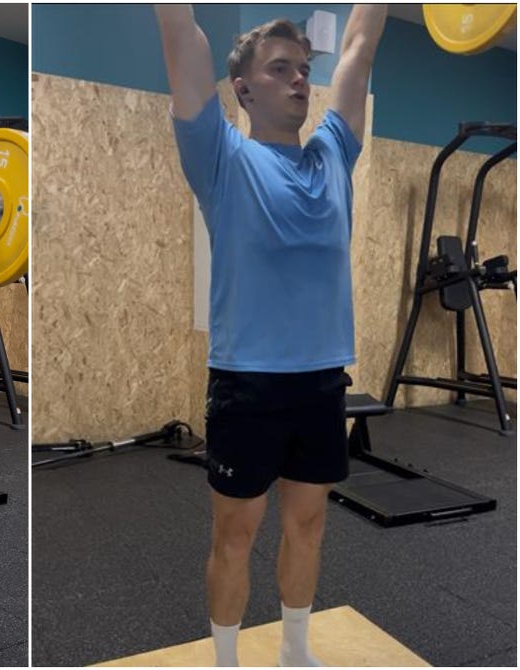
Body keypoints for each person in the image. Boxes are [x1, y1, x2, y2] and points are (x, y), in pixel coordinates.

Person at [155, 5, 386, 667]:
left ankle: (293, 650)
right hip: (247, 385)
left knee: (308, 525)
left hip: (321, 382)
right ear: (244, 90)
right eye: (279, 69)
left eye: (303, 70)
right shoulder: (220, 157)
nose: (298, 82)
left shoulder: (333, 153)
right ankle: (226, 660)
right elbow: (181, 36)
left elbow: (361, 45)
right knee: (236, 536)